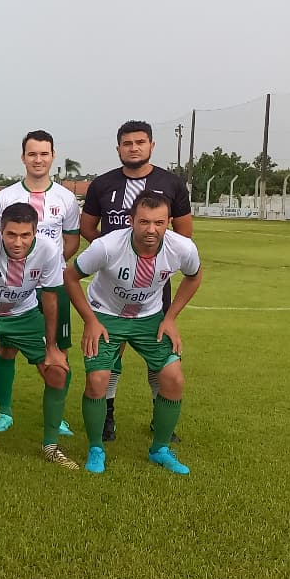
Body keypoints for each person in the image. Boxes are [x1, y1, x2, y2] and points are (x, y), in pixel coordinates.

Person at [64, 191, 202, 475]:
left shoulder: (183, 248)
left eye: (159, 223)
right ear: (131, 221)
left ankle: (160, 449)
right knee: (98, 379)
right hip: (105, 314)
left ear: (169, 222)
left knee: (173, 377)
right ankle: (95, 447)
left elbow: (194, 276)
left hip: (149, 317)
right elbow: (70, 276)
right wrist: (90, 320)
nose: (151, 230)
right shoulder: (107, 246)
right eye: (144, 222)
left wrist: (171, 318)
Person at [81, 120, 195, 442]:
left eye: (140, 142)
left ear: (151, 146)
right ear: (118, 148)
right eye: (127, 143)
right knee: (109, 354)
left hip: (155, 285)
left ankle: (161, 421)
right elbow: (90, 229)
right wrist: (113, 253)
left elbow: (184, 234)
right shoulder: (102, 185)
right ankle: (107, 417)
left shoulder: (171, 183)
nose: (134, 147)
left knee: (158, 351)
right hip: (113, 284)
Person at [0, 203, 75, 469]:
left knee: (57, 371)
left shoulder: (48, 250)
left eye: (25, 235)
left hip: (25, 315)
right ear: (1, 232)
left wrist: (53, 347)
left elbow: (51, 299)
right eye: (11, 235)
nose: (17, 242)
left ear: (34, 233)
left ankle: (51, 446)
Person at [0, 130, 80, 435]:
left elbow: (72, 239)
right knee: (7, 348)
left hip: (51, 285)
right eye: (32, 154)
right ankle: (4, 412)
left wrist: (45, 266)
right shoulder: (5, 197)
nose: (38, 159)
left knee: (57, 351)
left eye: (44, 153)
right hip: (13, 285)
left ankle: (58, 416)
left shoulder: (66, 198)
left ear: (52, 155)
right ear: (23, 157)